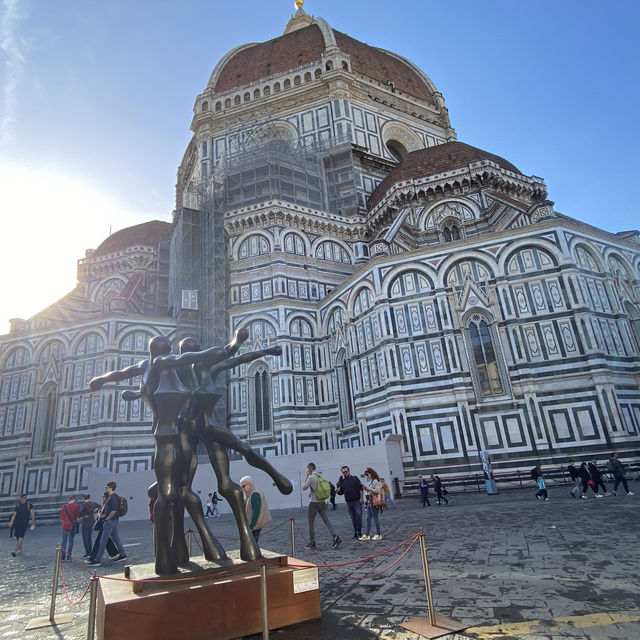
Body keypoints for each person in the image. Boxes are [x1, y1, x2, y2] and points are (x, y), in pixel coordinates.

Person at [86, 481, 127, 565]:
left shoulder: (113, 498)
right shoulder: (112, 497)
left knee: (103, 540)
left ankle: (97, 559)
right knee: (115, 538)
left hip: (110, 521)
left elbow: (114, 510)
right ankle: (122, 554)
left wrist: (107, 519)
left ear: (110, 488)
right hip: (113, 521)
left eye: (107, 487)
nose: (106, 488)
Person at [302, 462, 341, 550]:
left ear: (310, 469)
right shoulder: (320, 476)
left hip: (314, 502)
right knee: (326, 521)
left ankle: (312, 543)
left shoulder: (311, 477)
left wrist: (307, 476)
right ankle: (336, 537)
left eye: (307, 470)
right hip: (322, 501)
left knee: (311, 522)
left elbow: (304, 487)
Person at [240, 476, 271, 548]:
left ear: (249, 485)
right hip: (255, 523)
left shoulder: (254, 494)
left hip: (255, 524)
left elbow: (256, 512)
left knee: (252, 543)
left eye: (243, 486)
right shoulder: (251, 493)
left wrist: (251, 525)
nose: (242, 488)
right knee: (253, 542)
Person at [335, 465, 363, 539]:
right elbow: (341, 492)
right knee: (353, 518)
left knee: (359, 515)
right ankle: (356, 532)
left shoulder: (355, 478)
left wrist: (361, 498)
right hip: (349, 502)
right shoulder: (343, 482)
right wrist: (337, 491)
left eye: (346, 471)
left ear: (349, 471)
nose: (345, 473)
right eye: (343, 472)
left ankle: (359, 531)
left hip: (357, 501)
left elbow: (361, 488)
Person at [91, 493, 120, 560]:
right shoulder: (104, 504)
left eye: (103, 496)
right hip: (102, 522)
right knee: (106, 539)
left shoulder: (107, 505)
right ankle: (114, 553)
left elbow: (106, 514)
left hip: (104, 523)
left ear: (105, 497)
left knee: (100, 540)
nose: (102, 497)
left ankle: (95, 557)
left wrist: (103, 517)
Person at [360, 467, 383, 540]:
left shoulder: (375, 481)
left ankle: (378, 533)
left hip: (373, 502)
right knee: (367, 518)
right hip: (369, 502)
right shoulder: (369, 481)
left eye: (367, 474)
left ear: (371, 474)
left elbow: (378, 491)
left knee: (375, 518)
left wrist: (369, 489)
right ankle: (367, 534)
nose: (366, 476)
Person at [59, 496, 81, 561]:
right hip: (72, 526)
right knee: (71, 541)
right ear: (74, 500)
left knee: (64, 541)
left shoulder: (64, 507)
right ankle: (69, 556)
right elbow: (78, 515)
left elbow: (61, 517)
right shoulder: (77, 506)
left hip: (65, 525)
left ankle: (62, 556)